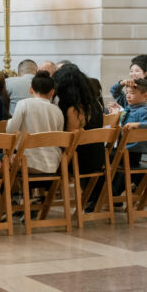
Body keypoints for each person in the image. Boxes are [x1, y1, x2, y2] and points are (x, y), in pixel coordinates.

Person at [54, 64, 105, 209]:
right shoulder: (94, 103)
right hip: (97, 156)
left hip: (80, 161)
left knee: (38, 155)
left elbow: (70, 141)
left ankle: (38, 199)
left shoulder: (74, 108)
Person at [7, 71, 65, 173]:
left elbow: (11, 131)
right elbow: (59, 138)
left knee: (5, 160)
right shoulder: (58, 111)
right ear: (52, 92)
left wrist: (9, 121)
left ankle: (15, 189)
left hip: (27, 163)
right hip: (53, 165)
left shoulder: (23, 104)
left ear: (31, 90)